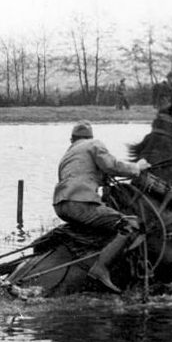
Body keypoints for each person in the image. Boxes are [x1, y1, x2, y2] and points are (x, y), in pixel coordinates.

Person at [53, 121, 150, 292]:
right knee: (130, 224)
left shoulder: (67, 156)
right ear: (90, 137)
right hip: (81, 203)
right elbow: (112, 166)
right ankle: (100, 268)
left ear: (72, 139)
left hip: (61, 205)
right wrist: (137, 167)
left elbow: (85, 175)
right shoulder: (93, 144)